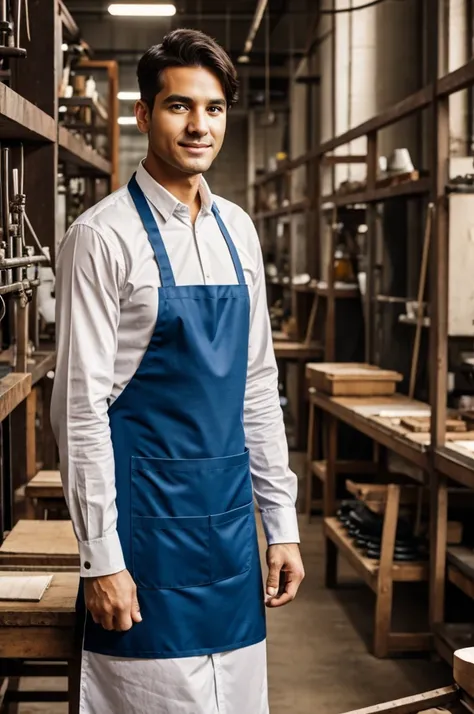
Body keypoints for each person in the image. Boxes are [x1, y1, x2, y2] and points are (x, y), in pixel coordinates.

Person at [51, 28, 304, 714]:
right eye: (179, 106)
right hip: (146, 538)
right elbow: (78, 411)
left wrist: (280, 523)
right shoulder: (101, 239)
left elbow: (256, 387)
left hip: (227, 536)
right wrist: (101, 559)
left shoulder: (240, 232)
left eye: (215, 108)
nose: (200, 125)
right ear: (144, 114)